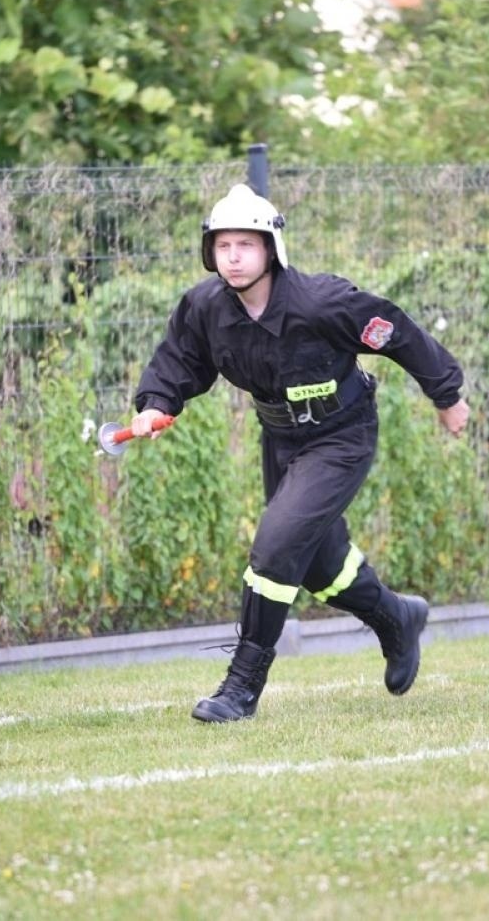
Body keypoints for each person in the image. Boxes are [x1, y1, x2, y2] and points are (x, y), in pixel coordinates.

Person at [131, 183, 471, 722]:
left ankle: (241, 688)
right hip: (282, 440)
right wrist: (155, 404)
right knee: (319, 567)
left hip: (342, 436)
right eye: (223, 245)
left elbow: (396, 332)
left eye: (246, 245)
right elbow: (178, 360)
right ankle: (397, 618)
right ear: (210, 251)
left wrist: (446, 395)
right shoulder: (204, 307)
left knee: (275, 548)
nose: (234, 257)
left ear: (271, 249)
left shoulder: (322, 303)